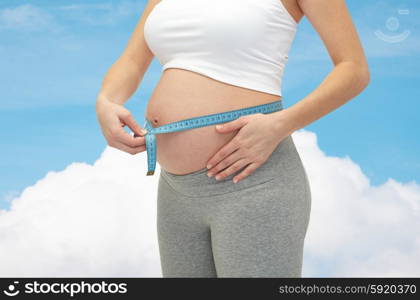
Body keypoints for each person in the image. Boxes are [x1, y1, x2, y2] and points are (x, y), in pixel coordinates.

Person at [95, 0, 370, 277]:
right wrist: (107, 100)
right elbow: (132, 60)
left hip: (252, 184)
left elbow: (353, 69)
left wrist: (280, 124)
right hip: (175, 192)